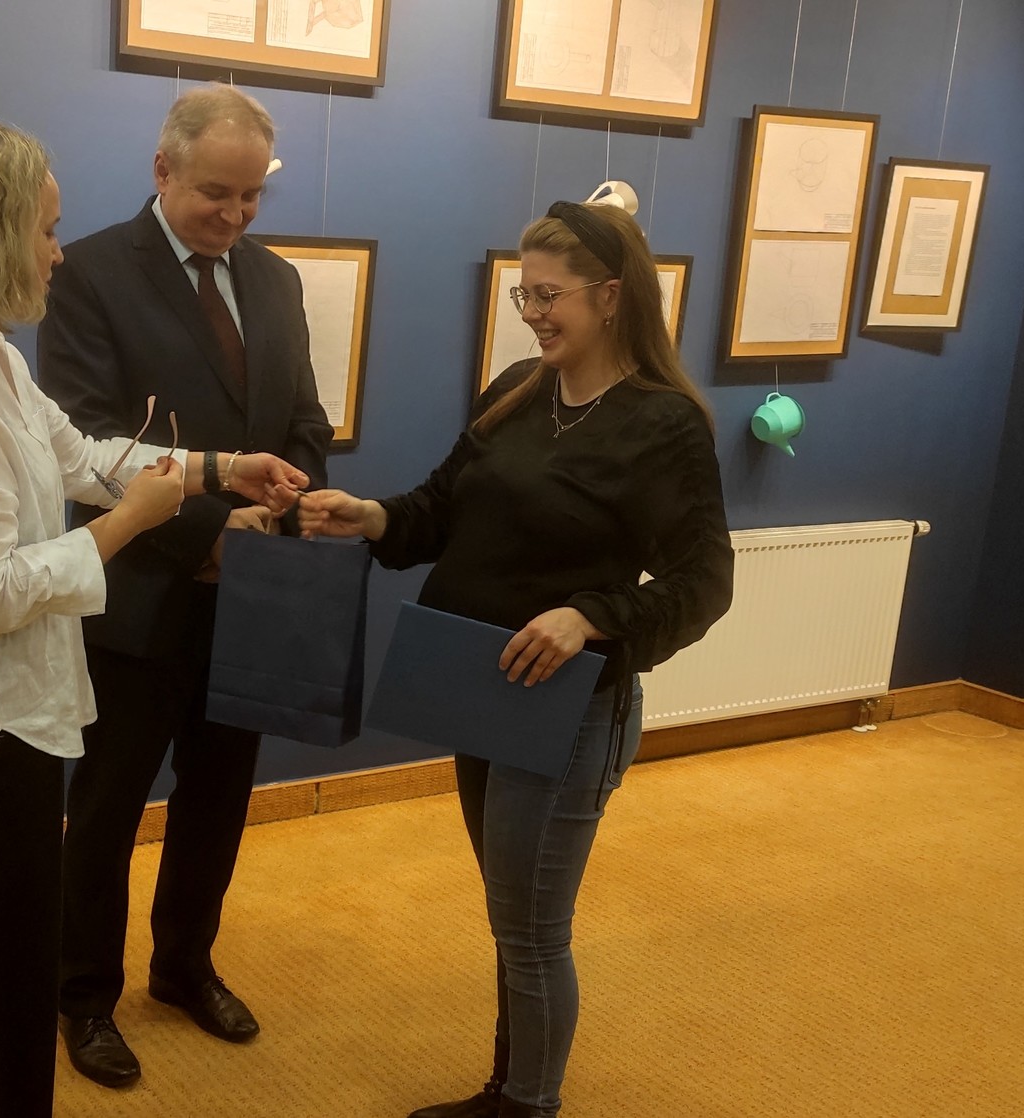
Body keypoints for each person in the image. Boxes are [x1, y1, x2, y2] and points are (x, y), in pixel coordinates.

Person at [0, 120, 307, 1118]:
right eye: (45, 231)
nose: (57, 252)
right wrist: (134, 521)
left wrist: (221, 468)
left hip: (3, 714)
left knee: (1, 964)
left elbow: (86, 457)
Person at [299, 200, 734, 1118]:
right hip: (480, 685)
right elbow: (439, 509)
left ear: (610, 296)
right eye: (522, 294)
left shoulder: (664, 425)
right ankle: (507, 1087)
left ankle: (527, 1104)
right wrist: (369, 516)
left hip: (568, 708)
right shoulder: (518, 390)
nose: (533, 313)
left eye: (549, 295)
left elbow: (704, 584)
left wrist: (590, 616)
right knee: (511, 913)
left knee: (533, 927)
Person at [38, 83, 333, 1088]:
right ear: (162, 170)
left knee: (218, 800)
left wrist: (284, 504)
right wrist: (212, 527)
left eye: (252, 196)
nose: (236, 215)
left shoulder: (277, 280)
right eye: (216, 193)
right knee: (108, 807)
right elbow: (85, 448)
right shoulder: (87, 275)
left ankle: (183, 966)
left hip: (251, 595)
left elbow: (304, 421)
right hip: (138, 596)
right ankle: (83, 993)